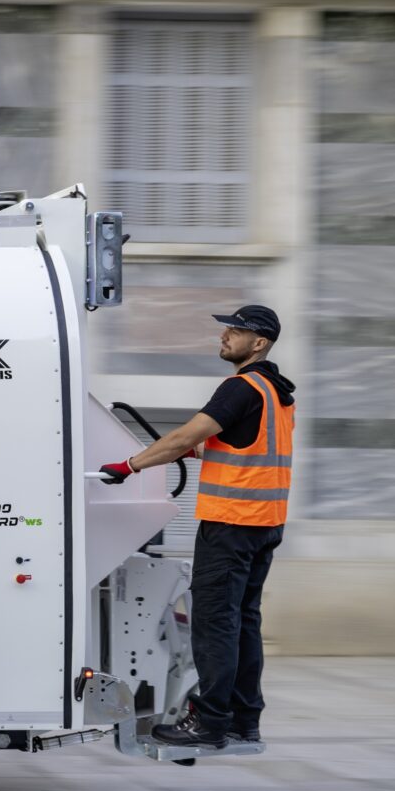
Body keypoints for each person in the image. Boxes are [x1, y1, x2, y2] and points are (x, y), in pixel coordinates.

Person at [100, 305, 294, 749]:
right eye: (227, 328)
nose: (225, 335)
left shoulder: (240, 387)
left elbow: (184, 435)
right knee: (243, 621)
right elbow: (247, 450)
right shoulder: (276, 392)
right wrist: (200, 454)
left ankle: (209, 721)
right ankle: (244, 720)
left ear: (259, 343)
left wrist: (129, 466)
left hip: (230, 523)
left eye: (237, 330)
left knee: (214, 622)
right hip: (263, 525)